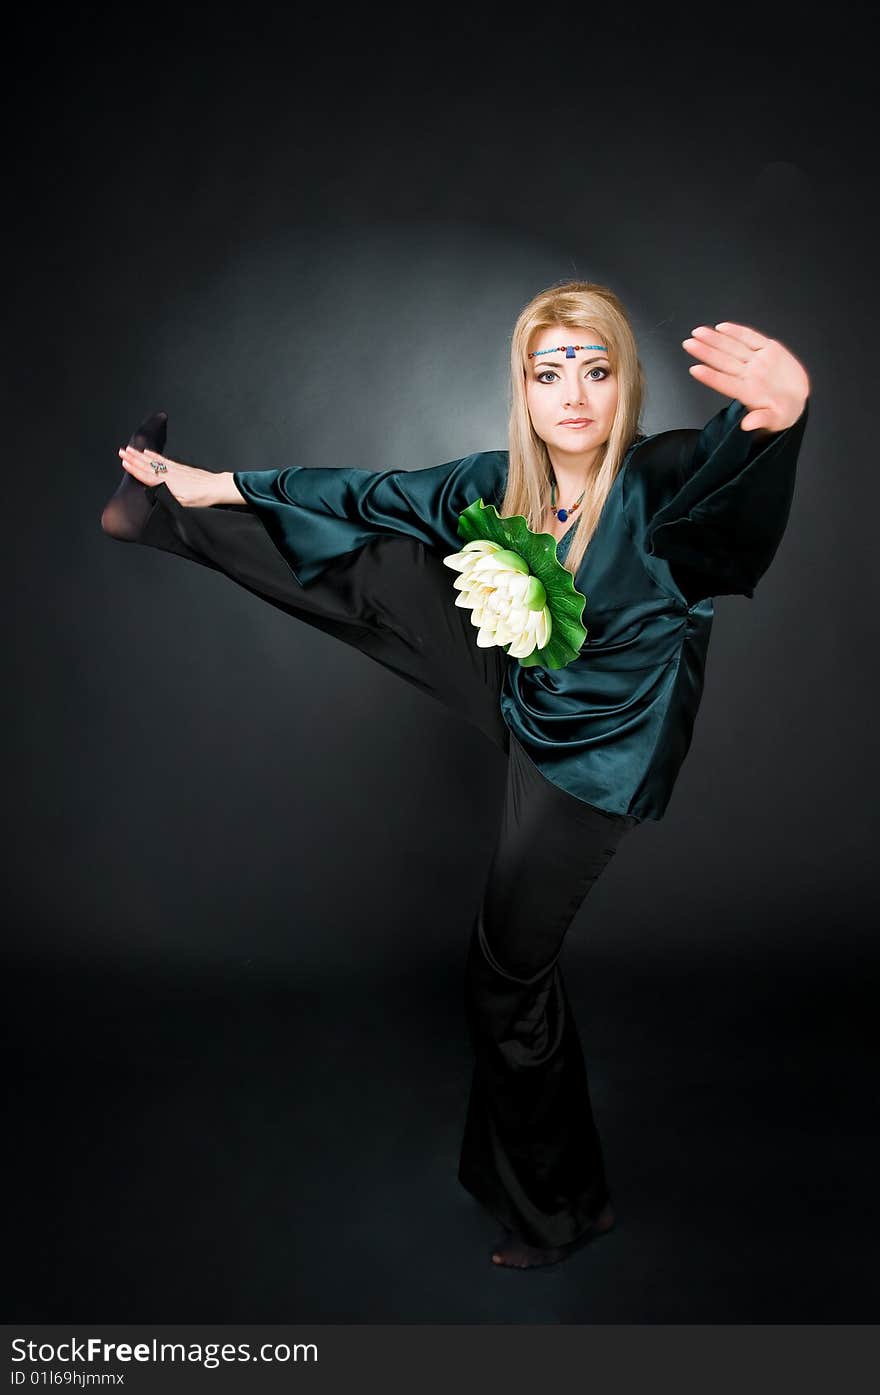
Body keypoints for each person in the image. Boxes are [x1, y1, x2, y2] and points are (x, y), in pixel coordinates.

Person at [100, 280, 810, 1269]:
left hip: (595, 758)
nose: (572, 394)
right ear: (522, 388)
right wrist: (215, 482)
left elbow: (732, 505)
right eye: (547, 371)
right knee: (386, 560)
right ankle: (159, 518)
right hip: (520, 690)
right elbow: (363, 490)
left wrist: (775, 419)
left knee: (504, 978)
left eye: (596, 371)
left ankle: (561, 1206)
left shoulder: (662, 479)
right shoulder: (492, 480)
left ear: (625, 386)